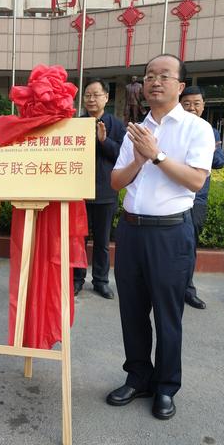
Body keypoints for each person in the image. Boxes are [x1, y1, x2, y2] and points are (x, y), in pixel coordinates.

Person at [108, 54, 214, 420]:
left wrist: (156, 155)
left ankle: (166, 387)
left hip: (170, 233)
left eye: (164, 76)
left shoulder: (196, 128)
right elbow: (116, 182)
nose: (155, 81)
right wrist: (138, 159)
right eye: (150, 75)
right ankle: (138, 377)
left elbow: (197, 180)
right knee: (132, 311)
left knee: (168, 315)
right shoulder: (135, 128)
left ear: (180, 86)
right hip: (132, 230)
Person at [73, 78, 126, 299]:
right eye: (87, 95)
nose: (91, 99)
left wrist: (104, 141)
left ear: (106, 97)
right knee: (78, 240)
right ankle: (76, 279)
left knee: (102, 242)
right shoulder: (76, 123)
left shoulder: (116, 124)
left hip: (105, 192)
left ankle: (101, 281)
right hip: (79, 193)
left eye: (96, 94)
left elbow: (122, 156)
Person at [180, 86, 224, 309]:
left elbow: (219, 161)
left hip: (198, 198)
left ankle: (187, 289)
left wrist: (205, 152)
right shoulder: (174, 128)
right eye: (187, 103)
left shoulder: (210, 131)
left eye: (196, 103)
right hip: (174, 196)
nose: (192, 108)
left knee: (190, 245)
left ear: (203, 105)